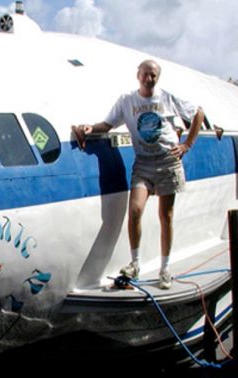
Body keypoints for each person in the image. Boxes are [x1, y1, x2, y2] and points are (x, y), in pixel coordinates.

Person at [72, 59, 204, 289]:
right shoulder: (127, 101)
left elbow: (198, 114)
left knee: (166, 215)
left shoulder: (166, 98)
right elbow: (108, 124)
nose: (149, 79)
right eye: (145, 74)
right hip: (143, 163)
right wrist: (89, 128)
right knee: (135, 210)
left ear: (157, 77)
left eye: (153, 75)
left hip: (167, 161)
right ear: (138, 75)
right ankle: (135, 263)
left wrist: (187, 145)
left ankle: (165, 269)